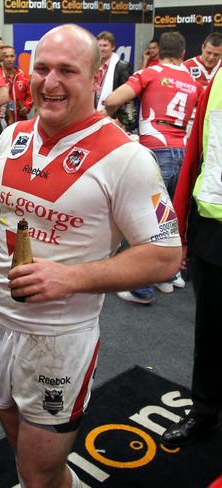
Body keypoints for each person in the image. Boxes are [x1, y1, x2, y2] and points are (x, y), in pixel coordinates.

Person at [0, 24, 181, 487]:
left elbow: (164, 257)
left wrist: (71, 278)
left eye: (68, 70)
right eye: (42, 68)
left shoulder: (127, 158)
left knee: (40, 469)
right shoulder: (14, 136)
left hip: (60, 341)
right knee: (26, 459)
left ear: (97, 74)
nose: (50, 82)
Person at [104, 31, 200, 303]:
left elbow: (112, 100)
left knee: (147, 219)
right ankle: (166, 278)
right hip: (183, 152)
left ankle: (142, 288)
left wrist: (108, 120)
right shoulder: (194, 82)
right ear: (183, 54)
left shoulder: (150, 72)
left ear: (159, 52)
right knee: (170, 219)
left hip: (155, 152)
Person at [161, 70, 222, 448]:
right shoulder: (218, 78)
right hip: (213, 229)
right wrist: (180, 232)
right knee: (212, 331)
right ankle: (205, 411)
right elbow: (195, 156)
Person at [95, 31, 135, 132]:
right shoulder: (92, 66)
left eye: (105, 45)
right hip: (95, 116)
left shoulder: (122, 66)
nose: (102, 49)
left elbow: (128, 98)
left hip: (115, 119)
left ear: (113, 47)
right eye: (99, 45)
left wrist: (122, 121)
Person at [1, 45, 33, 125]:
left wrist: (26, 107)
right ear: (2, 58)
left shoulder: (23, 76)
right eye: (6, 56)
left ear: (15, 57)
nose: (9, 59)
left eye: (12, 56)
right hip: (3, 122)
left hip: (21, 121)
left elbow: (30, 95)